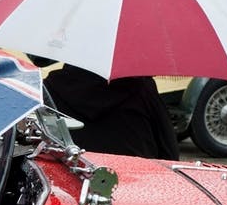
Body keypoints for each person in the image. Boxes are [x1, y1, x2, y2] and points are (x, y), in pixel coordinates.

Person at [42, 64, 180, 160]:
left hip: (74, 184)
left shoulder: (50, 88)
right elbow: (170, 154)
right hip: (137, 187)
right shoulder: (142, 88)